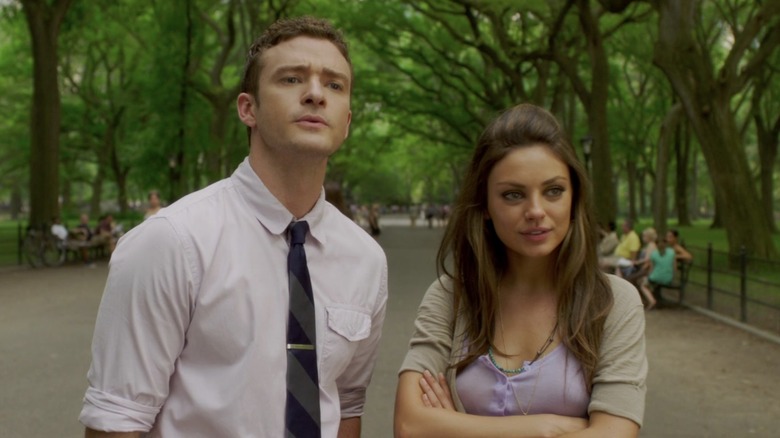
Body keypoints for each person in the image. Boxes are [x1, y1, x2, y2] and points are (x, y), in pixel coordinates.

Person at [80, 16, 388, 438]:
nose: (316, 94)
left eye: (334, 85)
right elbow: (116, 420)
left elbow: (347, 405)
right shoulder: (172, 241)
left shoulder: (365, 259)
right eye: (292, 79)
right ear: (249, 109)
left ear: (347, 121)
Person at [394, 104, 647, 437]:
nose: (536, 211)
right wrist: (544, 428)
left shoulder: (612, 302)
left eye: (553, 191)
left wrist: (454, 426)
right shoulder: (451, 296)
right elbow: (410, 425)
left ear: (575, 198)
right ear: (484, 205)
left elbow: (615, 433)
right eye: (513, 195)